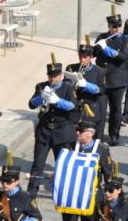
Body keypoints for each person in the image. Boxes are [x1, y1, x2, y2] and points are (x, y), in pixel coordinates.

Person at [26, 58, 78, 197]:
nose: (52, 79)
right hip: (44, 131)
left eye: (55, 76)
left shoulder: (68, 88)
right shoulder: (42, 86)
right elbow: (31, 104)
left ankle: (64, 192)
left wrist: (58, 101)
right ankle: (31, 195)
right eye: (50, 76)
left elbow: (73, 107)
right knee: (38, 164)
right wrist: (41, 97)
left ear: (61, 75)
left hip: (62, 132)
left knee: (62, 166)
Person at [93, 11, 128, 146]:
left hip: (117, 80)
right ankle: (98, 136)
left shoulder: (125, 40)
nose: (117, 29)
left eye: (118, 26)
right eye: (114, 27)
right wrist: (98, 46)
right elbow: (93, 54)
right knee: (101, 110)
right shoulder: (102, 37)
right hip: (102, 79)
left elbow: (122, 56)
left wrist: (106, 48)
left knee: (115, 109)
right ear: (109, 27)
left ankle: (113, 135)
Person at [66, 43, 107, 140]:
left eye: (85, 57)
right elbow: (65, 86)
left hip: (90, 108)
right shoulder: (71, 68)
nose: (82, 60)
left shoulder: (99, 71)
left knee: (87, 139)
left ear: (91, 57)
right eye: (80, 56)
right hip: (75, 107)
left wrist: (86, 85)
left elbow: (102, 90)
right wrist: (71, 83)